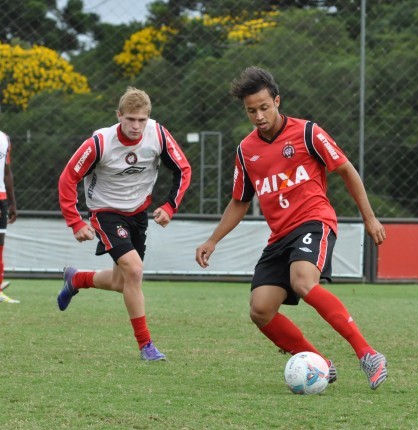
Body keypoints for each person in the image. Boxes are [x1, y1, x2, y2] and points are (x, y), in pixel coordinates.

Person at [195, 66, 388, 390]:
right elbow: (240, 201)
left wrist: (369, 217)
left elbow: (346, 170)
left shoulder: (308, 133)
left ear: (277, 101)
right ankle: (319, 363)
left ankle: (368, 354)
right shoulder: (246, 150)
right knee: (261, 309)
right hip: (279, 236)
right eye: (251, 110)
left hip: (314, 220)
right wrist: (213, 239)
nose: (258, 116)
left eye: (264, 107)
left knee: (302, 281)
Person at [57, 87, 192, 361]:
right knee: (135, 270)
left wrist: (169, 206)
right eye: (130, 119)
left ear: (148, 118)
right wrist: (75, 221)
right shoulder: (100, 143)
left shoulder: (158, 134)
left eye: (141, 120)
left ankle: (76, 278)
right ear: (119, 115)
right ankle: (146, 346)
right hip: (106, 212)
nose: (136, 126)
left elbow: (183, 169)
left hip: (138, 213)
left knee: (123, 281)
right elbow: (68, 177)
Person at [0, 129, 19, 304]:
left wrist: (12, 203)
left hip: (1, 197)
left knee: (0, 243)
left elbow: (7, 172)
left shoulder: (4, 138)